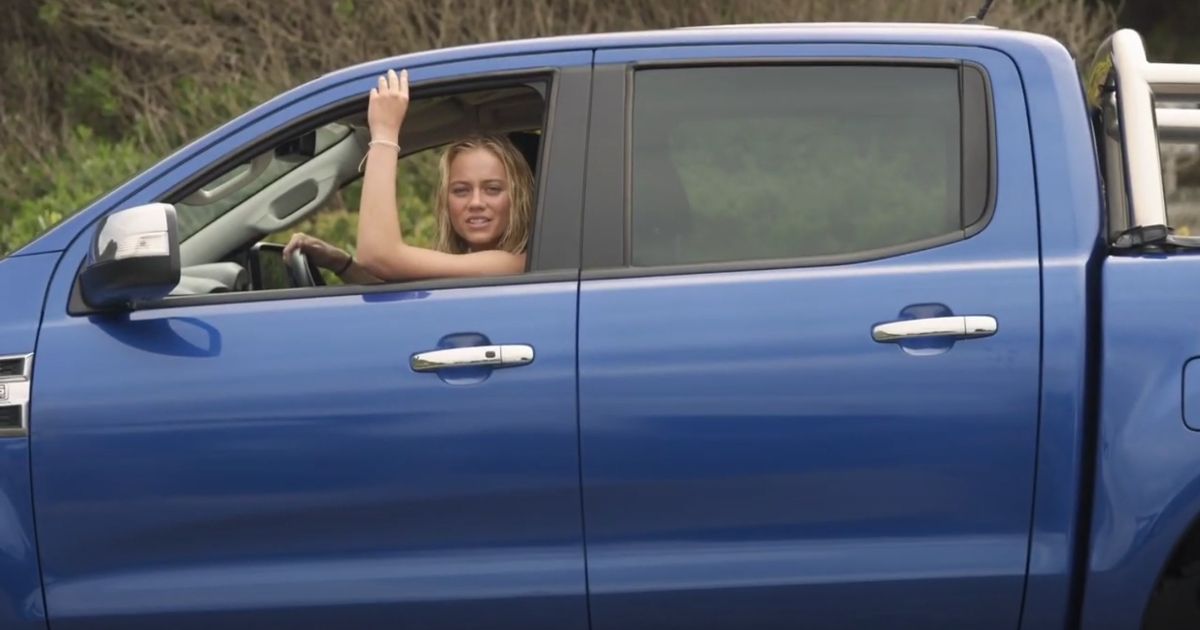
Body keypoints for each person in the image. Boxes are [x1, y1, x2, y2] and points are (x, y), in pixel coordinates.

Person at [282, 69, 534, 284]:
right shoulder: (469, 264)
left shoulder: (513, 265)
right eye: (461, 190)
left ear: (517, 197)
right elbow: (401, 291)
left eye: (492, 189)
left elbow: (379, 256)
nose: (476, 202)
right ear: (445, 201)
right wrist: (341, 263)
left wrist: (385, 133)